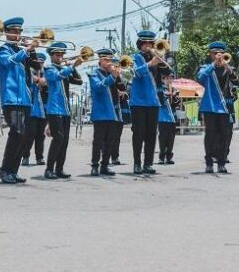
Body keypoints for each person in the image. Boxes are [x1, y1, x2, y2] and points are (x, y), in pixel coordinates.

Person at [0, 17, 38, 184]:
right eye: (14, 31)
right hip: (12, 98)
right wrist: (27, 49)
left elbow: (36, 67)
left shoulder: (23, 52)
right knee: (17, 133)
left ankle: (13, 170)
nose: (17, 34)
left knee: (24, 136)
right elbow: (9, 62)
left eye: (19, 31)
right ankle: (5, 169)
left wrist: (32, 50)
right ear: (7, 32)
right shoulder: (2, 50)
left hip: (25, 99)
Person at [128, 30, 165, 174]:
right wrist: (150, 64)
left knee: (151, 134)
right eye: (145, 43)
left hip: (153, 102)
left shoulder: (156, 58)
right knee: (138, 133)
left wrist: (162, 61)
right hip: (138, 101)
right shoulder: (134, 57)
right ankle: (137, 163)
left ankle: (148, 164)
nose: (148, 46)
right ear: (140, 44)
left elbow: (169, 73)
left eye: (150, 43)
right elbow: (134, 73)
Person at [197, 41, 235, 173]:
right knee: (210, 135)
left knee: (224, 136)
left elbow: (236, 81)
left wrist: (227, 67)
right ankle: (209, 162)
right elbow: (200, 78)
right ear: (211, 54)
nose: (218, 56)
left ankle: (221, 162)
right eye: (215, 53)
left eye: (221, 53)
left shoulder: (227, 68)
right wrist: (213, 65)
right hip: (210, 106)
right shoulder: (205, 68)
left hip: (224, 107)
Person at [45, 43, 82, 178]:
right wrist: (71, 66)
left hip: (65, 109)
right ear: (51, 56)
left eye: (62, 55)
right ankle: (49, 169)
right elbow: (56, 77)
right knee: (58, 138)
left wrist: (73, 68)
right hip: (54, 108)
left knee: (64, 140)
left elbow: (79, 81)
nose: (60, 57)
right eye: (57, 55)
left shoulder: (64, 69)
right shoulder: (49, 68)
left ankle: (59, 169)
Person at [87, 48, 122, 177]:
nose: (109, 62)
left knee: (110, 140)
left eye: (110, 60)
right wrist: (112, 76)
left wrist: (116, 76)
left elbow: (121, 88)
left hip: (113, 112)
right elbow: (98, 87)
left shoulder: (113, 74)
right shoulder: (93, 74)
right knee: (98, 141)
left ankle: (105, 165)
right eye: (106, 60)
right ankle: (95, 166)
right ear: (100, 60)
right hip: (101, 112)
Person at [22, 52, 48, 167]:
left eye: (42, 62)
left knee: (40, 135)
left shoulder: (46, 73)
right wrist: (37, 80)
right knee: (29, 134)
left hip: (43, 109)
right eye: (39, 62)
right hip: (32, 108)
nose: (40, 64)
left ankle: (39, 157)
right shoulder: (29, 72)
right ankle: (25, 156)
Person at [157, 73, 179, 165]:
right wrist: (167, 94)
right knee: (163, 137)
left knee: (171, 138)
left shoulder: (174, 89)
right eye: (168, 78)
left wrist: (175, 95)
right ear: (164, 79)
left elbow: (176, 104)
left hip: (172, 117)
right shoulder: (161, 89)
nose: (170, 80)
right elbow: (160, 100)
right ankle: (162, 157)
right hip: (163, 117)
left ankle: (169, 156)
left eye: (172, 78)